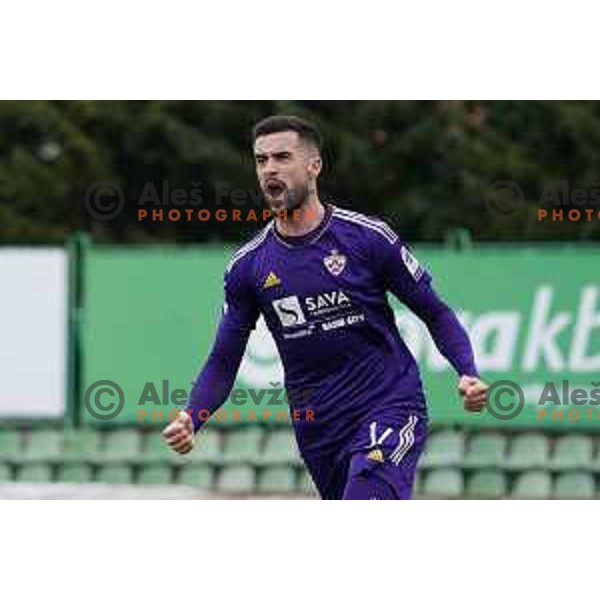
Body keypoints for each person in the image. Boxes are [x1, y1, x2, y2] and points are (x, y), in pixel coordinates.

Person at [162, 115, 487, 499]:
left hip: (389, 404)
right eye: (261, 160)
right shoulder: (248, 267)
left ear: (314, 166)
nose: (270, 169)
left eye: (282, 157)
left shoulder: (367, 238)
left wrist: (467, 370)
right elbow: (223, 361)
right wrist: (191, 417)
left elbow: (436, 312)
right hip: (318, 426)